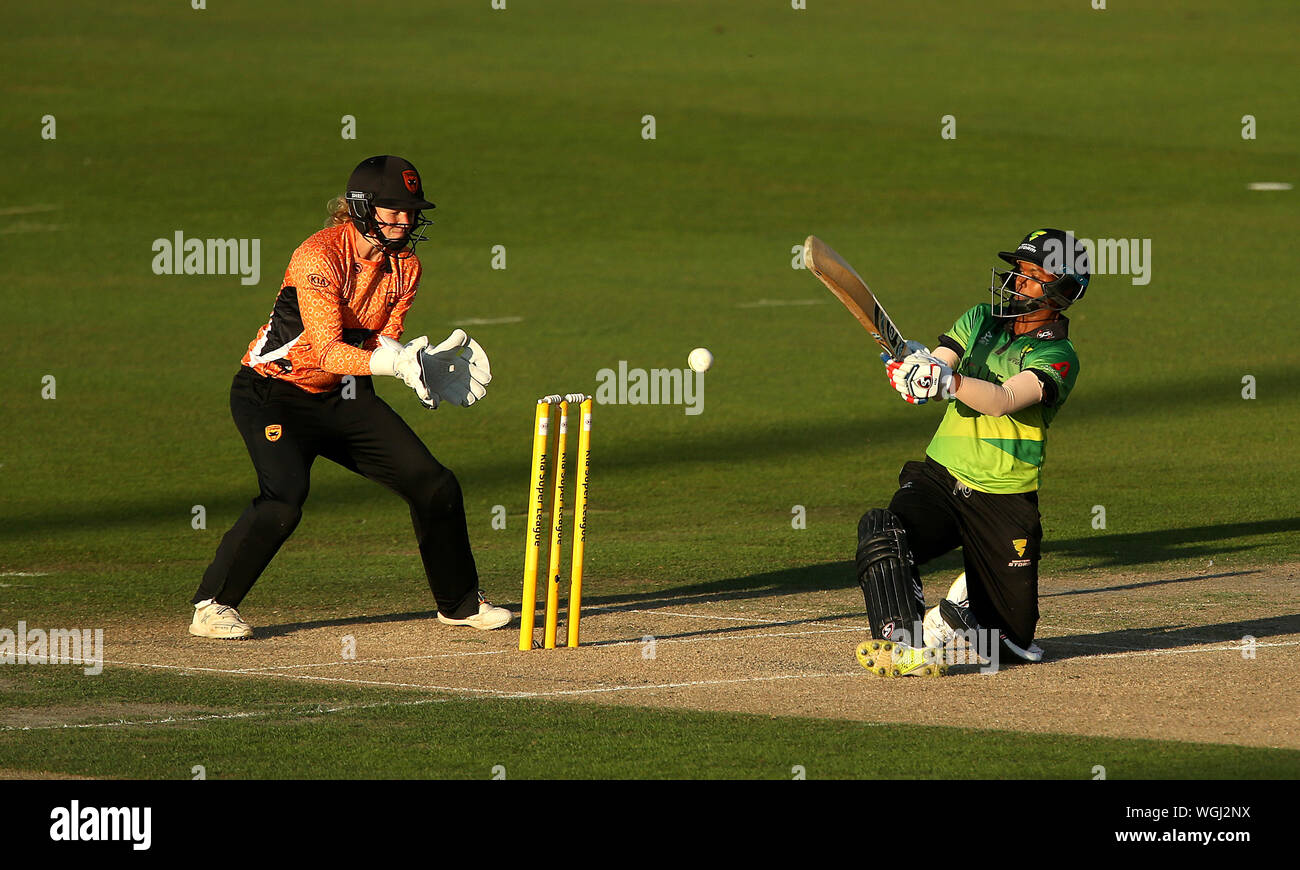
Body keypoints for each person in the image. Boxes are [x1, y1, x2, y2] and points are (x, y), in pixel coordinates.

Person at [189, 155, 506, 639]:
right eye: (392, 210)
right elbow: (325, 348)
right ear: (360, 208)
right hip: (273, 392)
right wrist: (393, 365)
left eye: (411, 211)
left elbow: (382, 337)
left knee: (434, 483)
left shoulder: (406, 267)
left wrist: (416, 364)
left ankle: (459, 603)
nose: (405, 221)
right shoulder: (318, 257)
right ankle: (213, 605)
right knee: (285, 499)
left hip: (344, 393)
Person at [854, 228, 1088, 675]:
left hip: (1003, 498)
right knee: (882, 531)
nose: (1016, 282)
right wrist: (918, 373)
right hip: (941, 478)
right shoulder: (981, 318)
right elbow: (942, 361)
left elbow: (1002, 401)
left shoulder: (1060, 354)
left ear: (1062, 289)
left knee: (1007, 646)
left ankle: (959, 605)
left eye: (1031, 275)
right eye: (1018, 271)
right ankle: (905, 642)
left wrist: (947, 383)